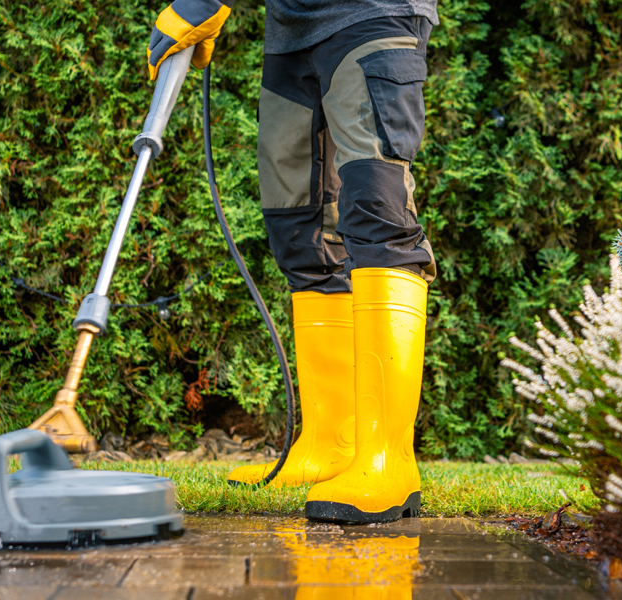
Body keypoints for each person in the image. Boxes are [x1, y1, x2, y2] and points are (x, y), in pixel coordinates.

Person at [146, 0, 438, 524]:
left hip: (372, 15)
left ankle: (387, 458)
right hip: (291, 32)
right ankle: (330, 441)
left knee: (377, 207)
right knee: (297, 226)